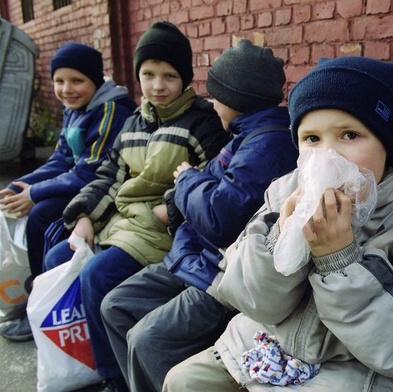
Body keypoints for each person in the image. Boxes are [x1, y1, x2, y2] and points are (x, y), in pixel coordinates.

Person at [162, 56, 393, 392]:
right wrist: (279, 241)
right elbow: (250, 298)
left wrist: (339, 261)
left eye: (348, 135)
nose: (329, 156)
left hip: (355, 369)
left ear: (386, 142)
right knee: (182, 381)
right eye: (312, 139)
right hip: (263, 345)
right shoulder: (286, 190)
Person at [100, 39, 299, 392]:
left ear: (238, 100)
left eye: (216, 95)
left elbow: (220, 220)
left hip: (220, 275)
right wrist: (191, 184)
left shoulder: (267, 145)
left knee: (147, 340)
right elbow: (215, 192)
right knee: (116, 305)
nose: (211, 103)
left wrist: (187, 179)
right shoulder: (244, 135)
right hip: (194, 256)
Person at [42, 21, 229, 392]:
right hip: (123, 222)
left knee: (96, 274)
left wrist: (169, 208)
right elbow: (110, 176)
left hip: (164, 229)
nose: (158, 85)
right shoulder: (133, 122)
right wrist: (83, 216)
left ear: (186, 78)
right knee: (57, 255)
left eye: (169, 76)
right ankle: (86, 359)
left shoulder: (203, 122)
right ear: (136, 75)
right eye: (148, 74)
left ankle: (114, 377)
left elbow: (213, 182)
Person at [0, 42, 136, 341]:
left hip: (104, 192)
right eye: (59, 81)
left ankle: (46, 301)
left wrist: (35, 193)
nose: (66, 89)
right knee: (27, 205)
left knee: (40, 216)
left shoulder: (111, 110)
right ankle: (38, 298)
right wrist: (21, 185)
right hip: (79, 185)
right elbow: (61, 157)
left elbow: (91, 170)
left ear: (95, 80)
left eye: (77, 81)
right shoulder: (73, 108)